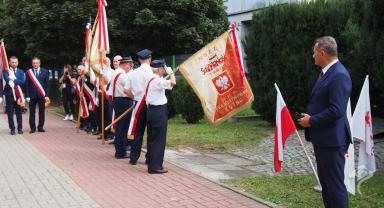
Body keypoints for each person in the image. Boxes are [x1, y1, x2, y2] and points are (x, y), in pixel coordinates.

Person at [298, 36, 352, 208]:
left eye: (314, 52)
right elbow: (325, 103)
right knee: (327, 186)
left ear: (322, 52)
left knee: (334, 186)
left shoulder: (339, 75)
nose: (312, 55)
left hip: (332, 141)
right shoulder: (327, 73)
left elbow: (337, 110)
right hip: (324, 139)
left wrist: (312, 120)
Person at [145, 59, 176, 173]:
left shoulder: (151, 78)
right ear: (159, 69)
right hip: (158, 111)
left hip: (152, 110)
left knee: (153, 139)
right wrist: (171, 73)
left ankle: (151, 163)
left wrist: (166, 73)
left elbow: (163, 82)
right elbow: (173, 83)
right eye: (163, 69)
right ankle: (155, 166)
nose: (164, 70)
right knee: (159, 139)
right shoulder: (157, 81)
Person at [129, 49, 153, 165]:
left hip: (138, 104)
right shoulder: (152, 72)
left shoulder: (134, 72)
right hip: (150, 105)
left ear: (139, 59)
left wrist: (134, 97)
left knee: (137, 132)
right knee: (151, 132)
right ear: (150, 59)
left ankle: (134, 158)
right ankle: (149, 159)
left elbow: (126, 90)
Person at [111, 56, 134, 159]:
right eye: (129, 66)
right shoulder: (122, 75)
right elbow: (129, 88)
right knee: (123, 127)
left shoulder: (117, 72)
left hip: (118, 100)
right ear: (124, 65)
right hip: (123, 101)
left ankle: (120, 150)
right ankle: (120, 152)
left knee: (121, 126)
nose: (129, 68)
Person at [25, 57, 50, 133]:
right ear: (32, 64)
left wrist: (47, 95)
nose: (35, 64)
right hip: (32, 96)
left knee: (42, 112)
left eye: (37, 63)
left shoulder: (45, 71)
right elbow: (27, 85)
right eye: (34, 63)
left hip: (42, 96)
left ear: (39, 63)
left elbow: (47, 84)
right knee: (32, 113)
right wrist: (27, 96)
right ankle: (32, 128)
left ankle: (40, 127)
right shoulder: (29, 72)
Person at [2, 56, 25, 134]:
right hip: (9, 94)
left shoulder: (21, 72)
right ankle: (12, 128)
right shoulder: (6, 71)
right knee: (10, 113)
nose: (14, 64)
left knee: (19, 112)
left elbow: (22, 82)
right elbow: (5, 77)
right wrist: (9, 81)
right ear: (9, 62)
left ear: (18, 63)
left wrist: (14, 80)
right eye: (12, 62)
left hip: (18, 95)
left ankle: (20, 128)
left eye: (15, 62)